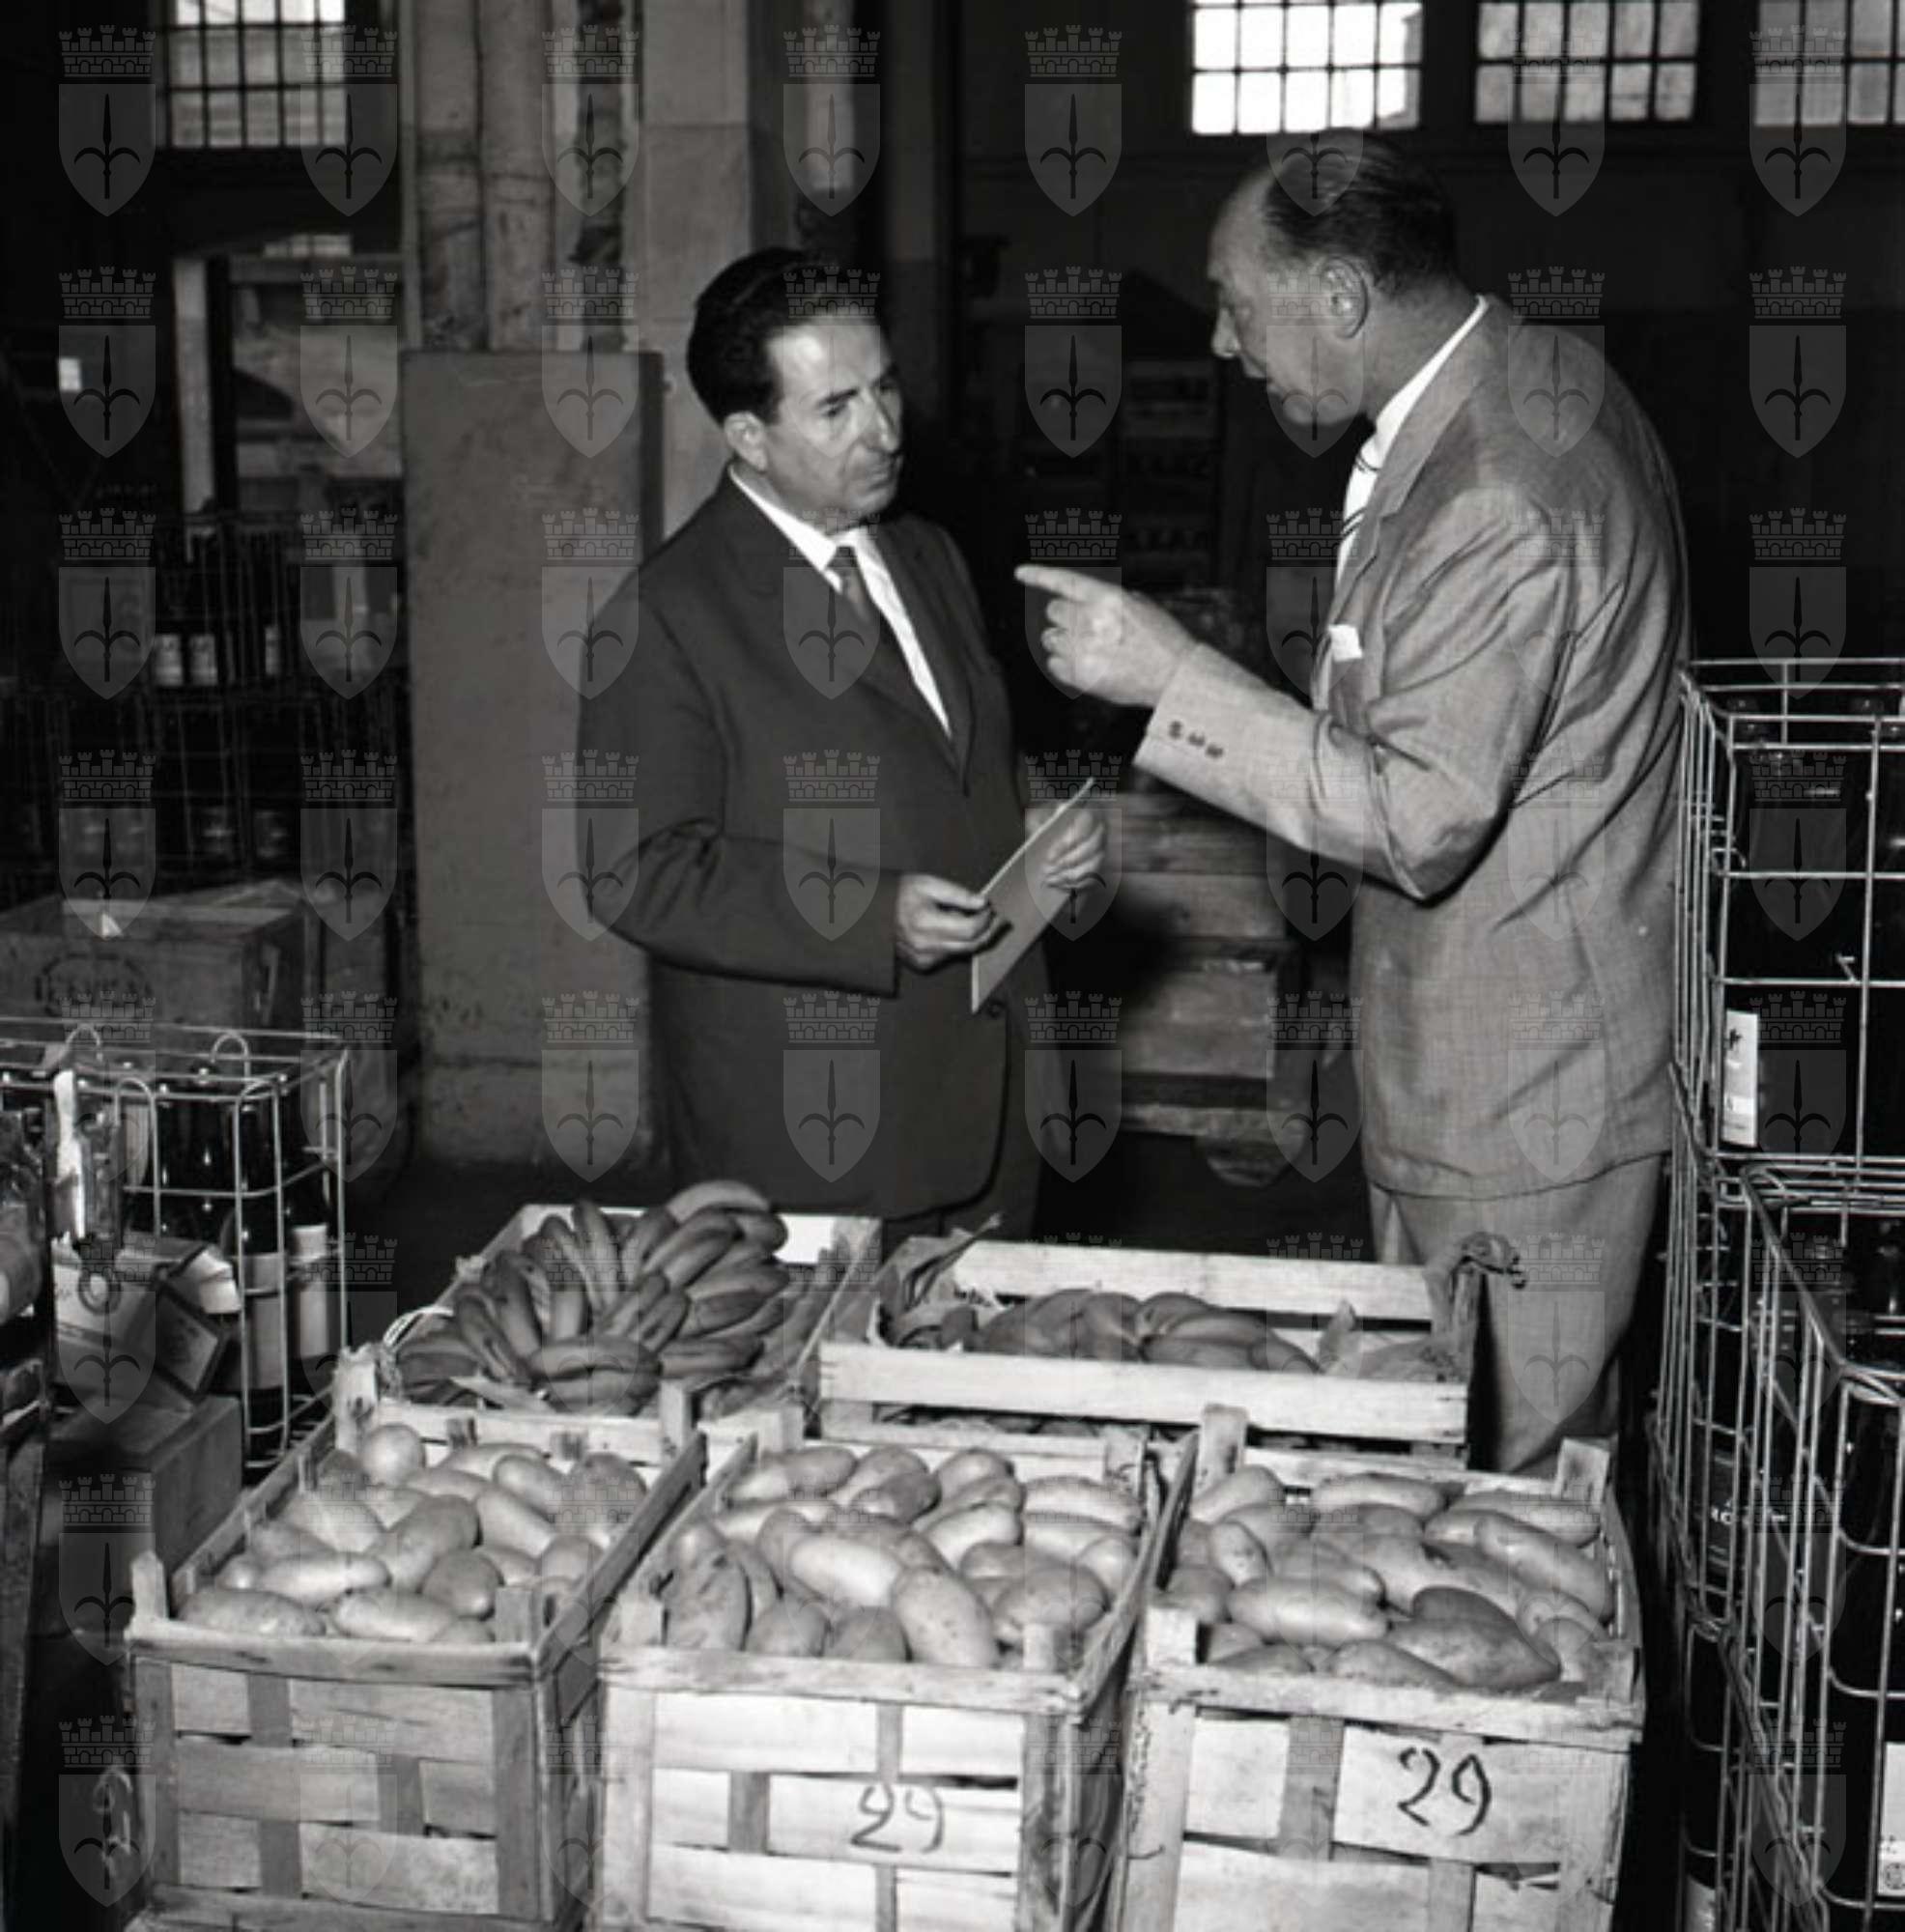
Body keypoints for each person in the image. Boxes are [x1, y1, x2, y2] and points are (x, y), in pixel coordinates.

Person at [1020, 141, 1688, 1474]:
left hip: (1516, 1097)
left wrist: (1172, 679)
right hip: (1507, 1060)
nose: (1222, 343)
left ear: (1337, 295)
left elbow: (1417, 819)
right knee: (1455, 1445)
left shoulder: (1500, 485)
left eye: (1236, 304)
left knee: (1497, 1481)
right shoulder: (1525, 382)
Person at [583, 248, 1102, 1247]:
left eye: (886, 388)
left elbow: (952, 757)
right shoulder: (665, 615)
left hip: (990, 1094)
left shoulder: (925, 552)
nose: (886, 431)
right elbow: (634, 870)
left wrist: (1028, 824)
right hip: (821, 1134)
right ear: (750, 436)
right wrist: (869, 917)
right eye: (836, 409)